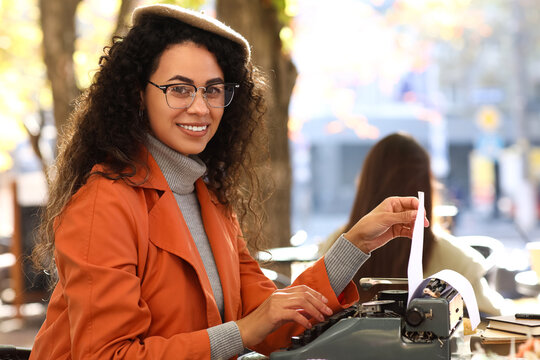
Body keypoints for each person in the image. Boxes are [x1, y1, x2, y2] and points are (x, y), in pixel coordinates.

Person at [29, 5, 427, 359]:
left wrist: (357, 243)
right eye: (179, 89)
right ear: (137, 94)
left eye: (213, 90)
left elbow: (277, 321)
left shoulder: (210, 201)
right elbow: (107, 355)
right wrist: (246, 330)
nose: (200, 107)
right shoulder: (105, 203)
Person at [319, 132, 511, 316]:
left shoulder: (334, 251)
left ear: (364, 185)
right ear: (428, 186)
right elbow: (497, 325)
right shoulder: (457, 262)